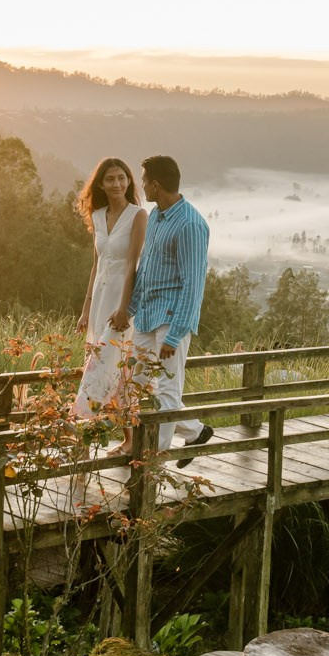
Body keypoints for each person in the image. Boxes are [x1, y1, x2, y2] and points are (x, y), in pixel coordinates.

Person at [128, 155, 213, 460]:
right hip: (146, 317)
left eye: (144, 181)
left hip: (171, 320)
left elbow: (193, 285)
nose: (141, 186)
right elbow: (145, 267)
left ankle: (151, 462)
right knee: (137, 383)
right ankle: (194, 431)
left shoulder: (190, 224)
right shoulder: (155, 216)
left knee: (167, 391)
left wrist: (175, 334)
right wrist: (130, 308)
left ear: (156, 184)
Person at [74, 157, 148, 427]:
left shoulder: (138, 215)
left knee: (117, 363)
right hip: (99, 298)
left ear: (128, 181)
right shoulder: (97, 216)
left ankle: (92, 423)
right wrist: (85, 310)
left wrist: (125, 308)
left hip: (121, 297)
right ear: (101, 185)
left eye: (121, 178)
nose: (117, 184)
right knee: (97, 360)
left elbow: (132, 265)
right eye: (110, 179)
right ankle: (98, 429)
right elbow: (97, 265)